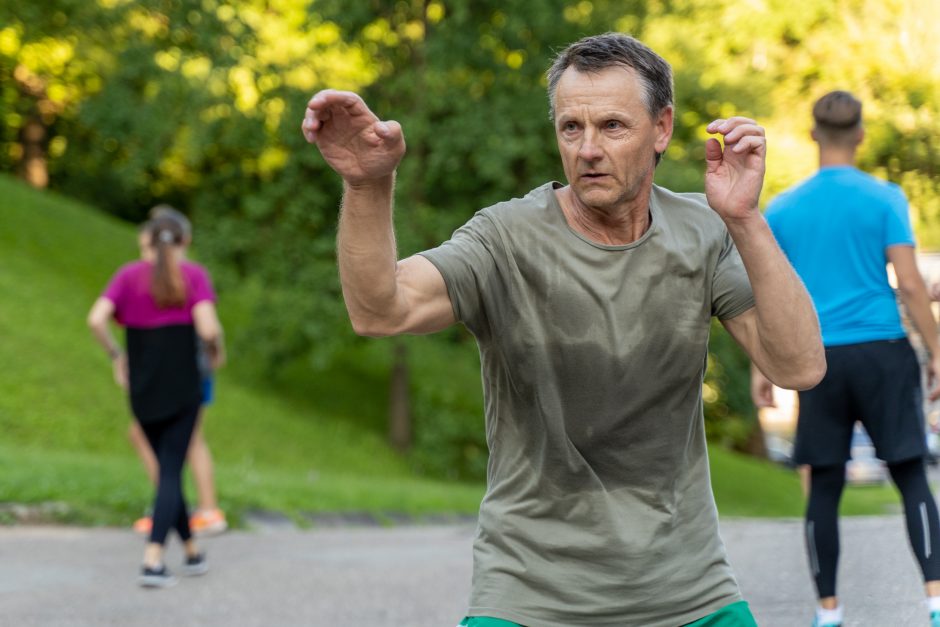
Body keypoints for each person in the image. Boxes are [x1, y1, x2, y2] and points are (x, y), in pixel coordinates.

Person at [303, 32, 824, 626]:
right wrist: (368, 186)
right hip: (529, 597)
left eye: (612, 126)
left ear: (662, 128)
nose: (588, 149)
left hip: (688, 592)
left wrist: (745, 218)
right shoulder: (504, 238)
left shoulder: (703, 232)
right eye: (571, 128)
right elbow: (380, 309)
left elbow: (799, 366)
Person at [753, 90, 940, 627]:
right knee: (910, 477)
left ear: (814, 135)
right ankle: (933, 600)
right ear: (859, 134)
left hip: (819, 360)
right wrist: (935, 353)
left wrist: (762, 367)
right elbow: (907, 283)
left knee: (824, 484)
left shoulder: (783, 208)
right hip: (883, 352)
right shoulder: (885, 198)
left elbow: (767, 295)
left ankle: (828, 612)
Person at [87, 214, 225, 588]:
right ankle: (152, 562)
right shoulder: (192, 276)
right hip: (183, 386)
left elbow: (96, 319)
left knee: (168, 470)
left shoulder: (127, 276)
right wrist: (215, 351)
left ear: (146, 240)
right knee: (169, 471)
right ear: (183, 242)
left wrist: (117, 357)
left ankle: (193, 552)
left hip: (143, 388)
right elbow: (208, 328)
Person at [128, 206, 228, 537]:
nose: (146, 256)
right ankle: (181, 507)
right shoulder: (162, 277)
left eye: (147, 248)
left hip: (187, 372)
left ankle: (190, 508)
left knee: (185, 438)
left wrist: (214, 352)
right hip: (177, 371)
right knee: (174, 438)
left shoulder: (185, 275)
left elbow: (209, 327)